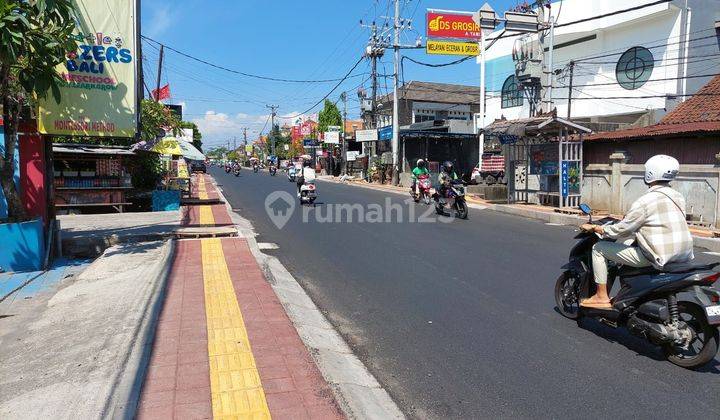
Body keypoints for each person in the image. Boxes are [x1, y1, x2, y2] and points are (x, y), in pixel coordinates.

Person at [580, 155, 694, 309]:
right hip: (683, 255)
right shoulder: (678, 197)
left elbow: (623, 229)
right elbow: (657, 223)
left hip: (657, 256)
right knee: (628, 243)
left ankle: (601, 296)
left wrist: (599, 228)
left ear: (651, 173)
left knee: (598, 249)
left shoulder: (645, 200)